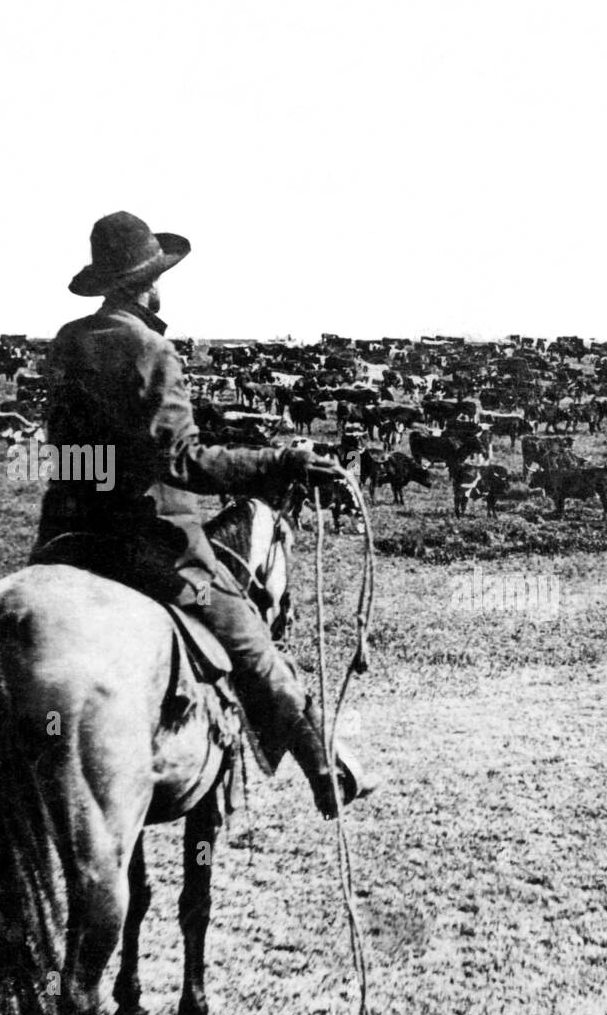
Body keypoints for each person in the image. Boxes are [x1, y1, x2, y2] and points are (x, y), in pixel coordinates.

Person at [33, 210, 380, 818]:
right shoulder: (153, 349)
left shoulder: (67, 342)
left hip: (65, 538)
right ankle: (325, 763)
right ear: (150, 281)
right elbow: (182, 461)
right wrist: (282, 463)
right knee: (248, 638)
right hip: (146, 541)